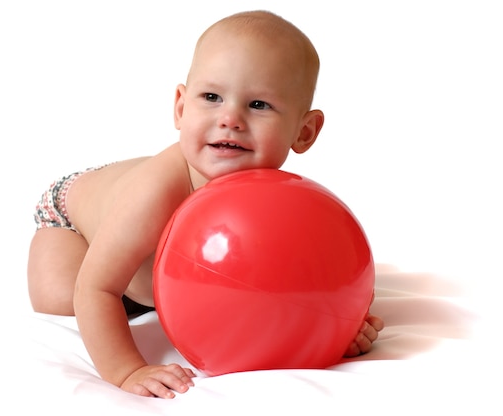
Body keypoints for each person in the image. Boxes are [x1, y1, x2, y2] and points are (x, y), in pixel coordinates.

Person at [27, 10, 384, 399]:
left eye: (259, 105)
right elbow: (95, 288)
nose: (229, 118)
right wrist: (127, 370)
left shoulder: (294, 203)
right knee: (63, 301)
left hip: (153, 261)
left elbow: (295, 273)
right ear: (181, 108)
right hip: (70, 219)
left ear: (304, 131)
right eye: (211, 97)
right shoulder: (155, 194)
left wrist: (334, 322)